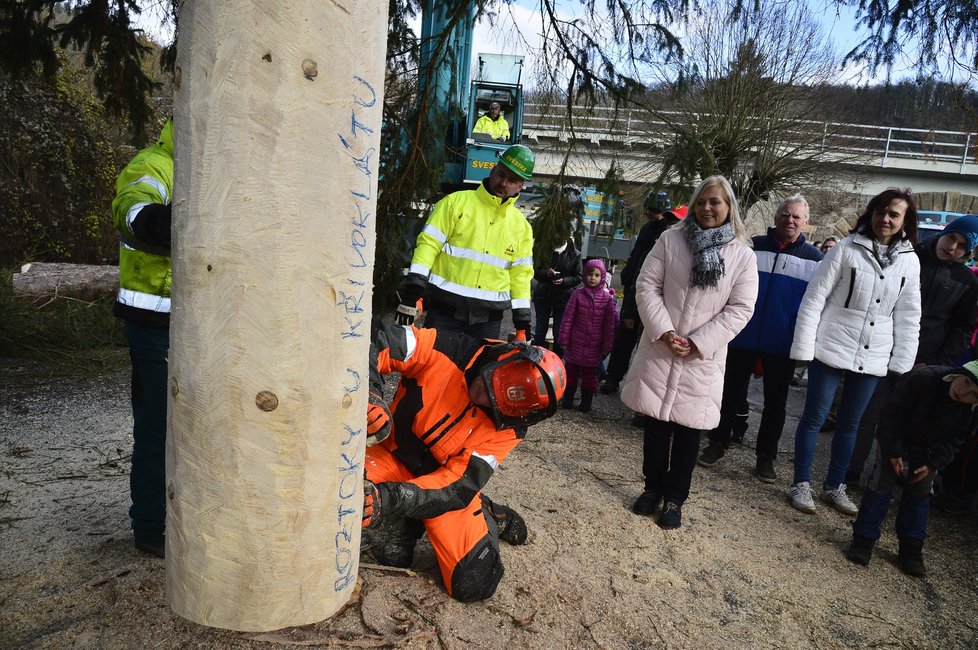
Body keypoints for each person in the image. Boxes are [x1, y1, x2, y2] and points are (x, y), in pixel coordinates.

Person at [361, 320, 566, 602]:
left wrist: (391, 498)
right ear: (504, 359)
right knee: (340, 499)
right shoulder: (450, 349)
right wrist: (369, 393)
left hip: (445, 487)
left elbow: (458, 487)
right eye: (488, 382)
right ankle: (403, 524)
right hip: (390, 453)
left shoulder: (510, 428)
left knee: (474, 581)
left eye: (493, 403)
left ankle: (488, 514)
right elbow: (374, 337)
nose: (482, 395)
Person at [621, 175, 759, 530]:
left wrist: (699, 342)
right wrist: (665, 331)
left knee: (688, 432)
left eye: (715, 202)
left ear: (729, 208)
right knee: (654, 426)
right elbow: (646, 285)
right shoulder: (670, 240)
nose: (707, 208)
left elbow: (741, 308)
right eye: (702, 201)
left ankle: (674, 499)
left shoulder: (742, 256)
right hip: (662, 346)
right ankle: (651, 488)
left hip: (701, 357)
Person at [788, 188, 922, 516]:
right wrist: (804, 348)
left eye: (894, 214)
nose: (886, 219)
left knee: (852, 423)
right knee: (815, 417)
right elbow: (815, 297)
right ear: (872, 214)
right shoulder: (846, 249)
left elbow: (908, 314)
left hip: (874, 354)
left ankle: (835, 485)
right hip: (831, 345)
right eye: (881, 212)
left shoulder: (910, 261)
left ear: (905, 222)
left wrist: (901, 364)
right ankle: (801, 483)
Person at [698, 194, 823, 483]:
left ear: (805, 222)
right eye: (785, 214)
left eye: (796, 217)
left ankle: (766, 457)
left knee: (776, 404)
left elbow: (813, 304)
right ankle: (717, 442)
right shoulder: (751, 247)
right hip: (742, 335)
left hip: (782, 342)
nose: (789, 220)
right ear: (776, 216)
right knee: (728, 393)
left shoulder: (815, 260)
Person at [846, 215, 978, 486]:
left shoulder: (967, 281)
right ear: (945, 233)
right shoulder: (908, 257)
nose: (952, 247)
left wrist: (937, 363)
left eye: (962, 246)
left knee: (911, 424)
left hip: (928, 362)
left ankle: (890, 480)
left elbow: (962, 329)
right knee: (869, 416)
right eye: (952, 237)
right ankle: (851, 472)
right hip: (885, 351)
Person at [845, 362, 978, 576]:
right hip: (897, 437)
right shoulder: (923, 379)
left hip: (929, 450)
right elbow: (891, 415)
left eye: (973, 394)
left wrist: (934, 463)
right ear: (957, 375)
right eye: (966, 383)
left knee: (920, 492)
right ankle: (863, 539)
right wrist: (894, 452)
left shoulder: (968, 411)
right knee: (882, 482)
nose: (964, 392)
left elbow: (956, 439)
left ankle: (911, 549)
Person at [111, 119, 174, 559]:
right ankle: (152, 528)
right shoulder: (155, 164)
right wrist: (165, 221)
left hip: (208, 326)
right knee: (158, 427)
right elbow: (130, 211)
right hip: (155, 326)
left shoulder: (227, 166)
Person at [397, 145, 535, 340]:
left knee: (476, 371)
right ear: (493, 169)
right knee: (432, 370)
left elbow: (521, 276)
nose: (503, 183)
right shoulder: (454, 203)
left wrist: (522, 323)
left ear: (520, 186)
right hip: (445, 312)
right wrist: (413, 292)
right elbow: (428, 245)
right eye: (501, 174)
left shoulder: (521, 227)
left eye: (512, 181)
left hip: (488, 322)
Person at [599, 193, 684, 396]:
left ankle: (642, 392)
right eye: (650, 210)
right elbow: (637, 267)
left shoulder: (671, 237)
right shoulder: (648, 230)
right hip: (635, 293)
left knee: (647, 350)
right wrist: (629, 305)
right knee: (623, 340)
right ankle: (613, 378)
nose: (650, 214)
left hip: (656, 302)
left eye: (654, 212)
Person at [557, 258, 619, 412]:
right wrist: (564, 339)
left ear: (602, 277)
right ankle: (568, 398)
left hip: (594, 346)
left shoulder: (607, 299)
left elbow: (610, 326)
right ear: (585, 275)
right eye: (590, 274)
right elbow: (568, 318)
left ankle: (586, 401)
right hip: (575, 343)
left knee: (590, 376)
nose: (593, 278)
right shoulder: (577, 295)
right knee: (571, 371)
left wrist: (606, 346)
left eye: (597, 275)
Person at [531, 237, 582, 355]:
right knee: (540, 330)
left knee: (559, 332)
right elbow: (535, 271)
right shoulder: (544, 250)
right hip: (543, 296)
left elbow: (578, 277)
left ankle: (556, 360)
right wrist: (546, 273)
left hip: (563, 298)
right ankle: (535, 358)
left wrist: (564, 281)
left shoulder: (575, 254)